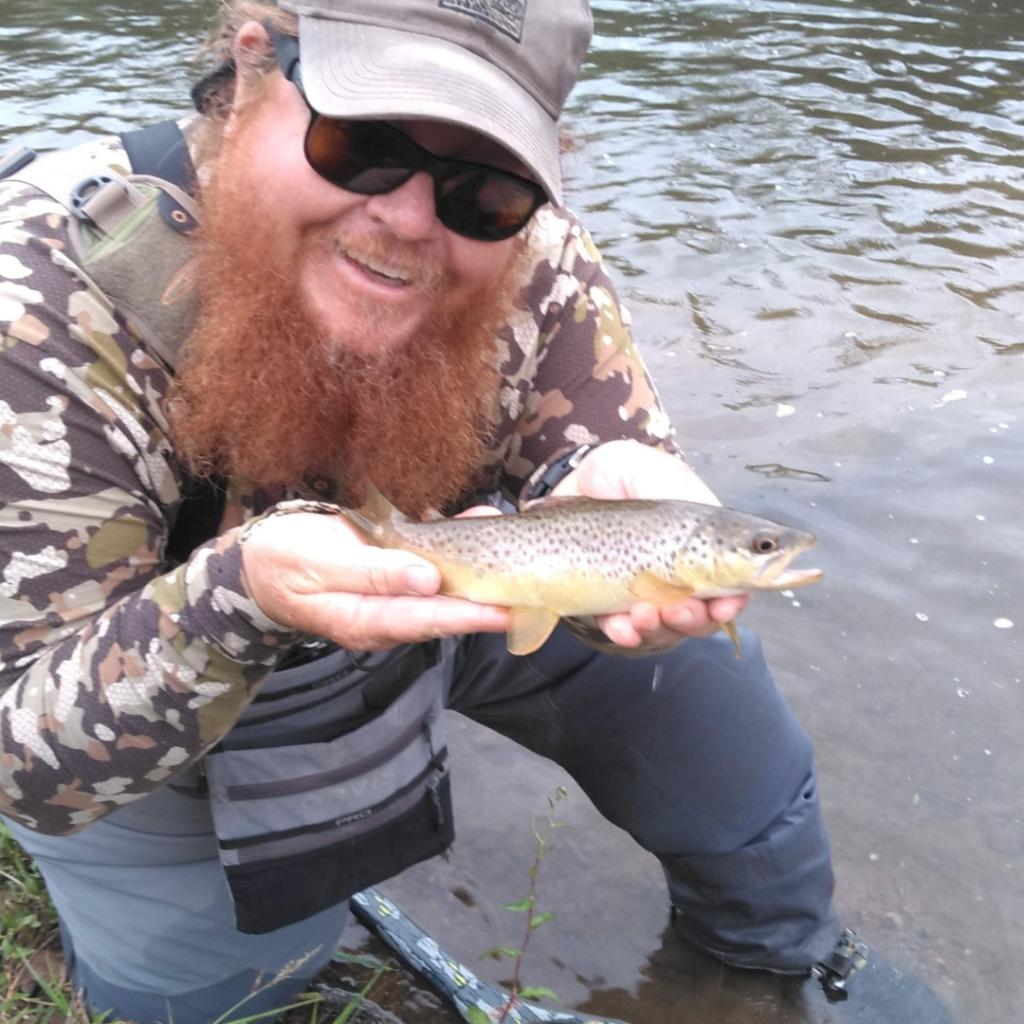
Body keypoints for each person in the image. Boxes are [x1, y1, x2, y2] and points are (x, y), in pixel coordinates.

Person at [0, 2, 949, 1022]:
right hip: (173, 663)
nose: (411, 219)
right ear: (252, 74)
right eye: (362, 143)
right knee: (230, 994)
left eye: (484, 186)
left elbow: (609, 452)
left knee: (706, 693)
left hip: (471, 581)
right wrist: (239, 597)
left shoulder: (524, 243)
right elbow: (26, 765)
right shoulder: (39, 302)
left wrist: (611, 461)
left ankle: (776, 968)